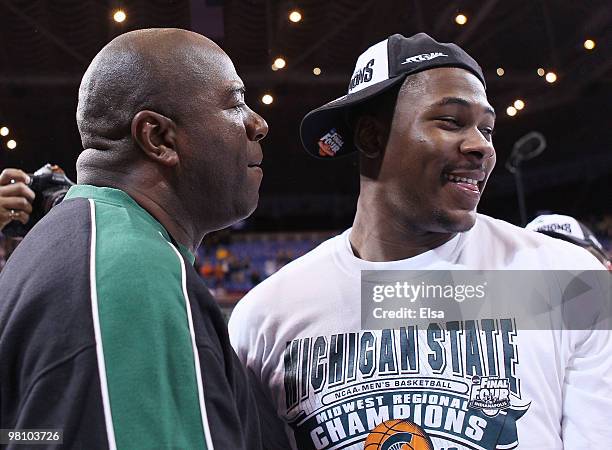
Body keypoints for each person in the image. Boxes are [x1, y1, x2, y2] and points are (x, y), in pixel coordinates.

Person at [229, 33, 611, 449]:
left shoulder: (569, 282)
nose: (482, 146)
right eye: (451, 121)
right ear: (372, 137)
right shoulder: (264, 318)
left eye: (487, 128)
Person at [0, 28, 268, 449]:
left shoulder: (83, 243)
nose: (259, 123)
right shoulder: (130, 271)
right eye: (235, 103)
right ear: (159, 138)